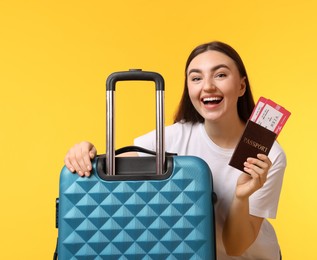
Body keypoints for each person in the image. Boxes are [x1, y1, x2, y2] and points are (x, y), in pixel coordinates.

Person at [64, 41, 286, 260]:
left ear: (241, 86)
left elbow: (235, 248)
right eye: (196, 78)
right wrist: (85, 153)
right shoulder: (172, 137)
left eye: (220, 75)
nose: (207, 86)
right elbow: (111, 168)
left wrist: (241, 197)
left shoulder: (268, 155)